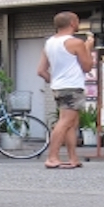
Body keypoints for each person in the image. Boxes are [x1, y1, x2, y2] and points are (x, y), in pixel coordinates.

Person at [37, 11, 95, 169]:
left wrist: (54, 81)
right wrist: (88, 47)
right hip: (72, 86)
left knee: (70, 123)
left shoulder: (49, 43)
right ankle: (52, 157)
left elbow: (41, 70)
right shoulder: (75, 43)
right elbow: (88, 66)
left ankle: (73, 158)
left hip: (58, 87)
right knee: (65, 122)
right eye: (77, 21)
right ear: (72, 23)